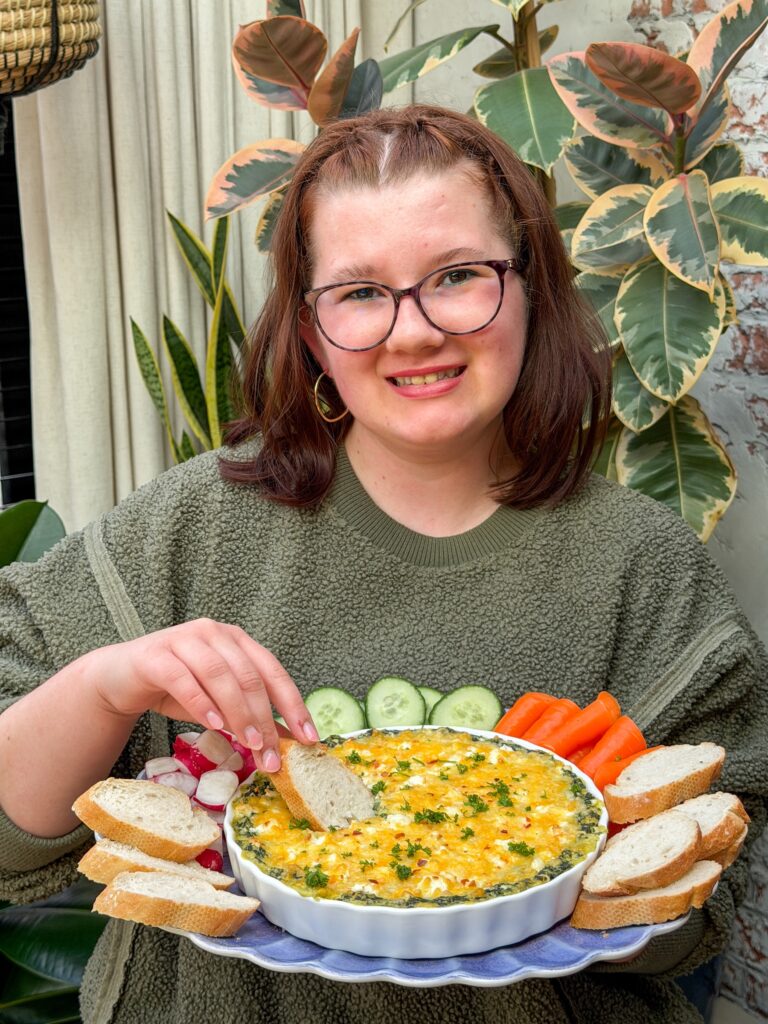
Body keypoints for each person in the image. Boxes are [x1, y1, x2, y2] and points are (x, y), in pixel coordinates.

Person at [0, 105, 765, 1024]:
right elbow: (7, 847)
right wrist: (104, 687)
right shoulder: (191, 525)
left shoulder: (643, 566)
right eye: (361, 292)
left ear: (530, 287)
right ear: (311, 329)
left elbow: (701, 911)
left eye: (458, 276)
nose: (413, 333)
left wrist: (548, 861)